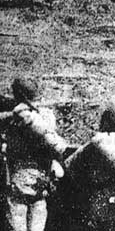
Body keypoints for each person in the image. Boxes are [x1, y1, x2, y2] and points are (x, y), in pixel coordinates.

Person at [0, 77, 66, 231]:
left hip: (20, 179)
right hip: (41, 180)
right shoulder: (47, 116)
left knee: (17, 222)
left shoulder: (17, 118)